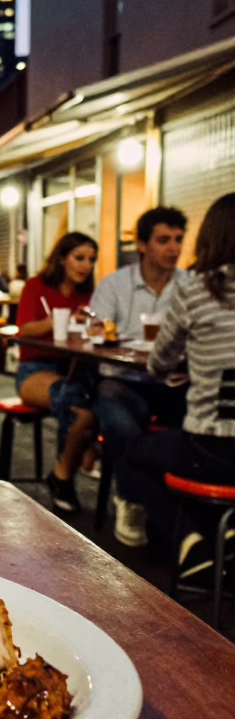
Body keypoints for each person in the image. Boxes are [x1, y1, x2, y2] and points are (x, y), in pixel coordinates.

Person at [118, 194, 235, 582]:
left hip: (214, 448)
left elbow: (159, 363)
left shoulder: (197, 290)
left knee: (133, 449)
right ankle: (225, 531)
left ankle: (191, 542)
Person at [89, 206, 189, 547]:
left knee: (189, 428)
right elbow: (94, 332)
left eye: (178, 240)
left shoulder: (190, 285)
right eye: (164, 240)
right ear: (143, 244)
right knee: (119, 419)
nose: (173, 248)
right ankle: (133, 499)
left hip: (173, 381)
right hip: (124, 379)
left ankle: (170, 510)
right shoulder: (115, 284)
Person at [15, 232, 99, 514]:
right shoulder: (36, 286)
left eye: (91, 260)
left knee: (99, 399)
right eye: (79, 258)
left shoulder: (88, 295)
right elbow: (24, 329)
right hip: (33, 369)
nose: (85, 265)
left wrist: (94, 326)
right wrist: (58, 320)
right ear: (62, 258)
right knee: (79, 405)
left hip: (75, 368)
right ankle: (71, 468)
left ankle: (62, 472)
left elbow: (97, 332)